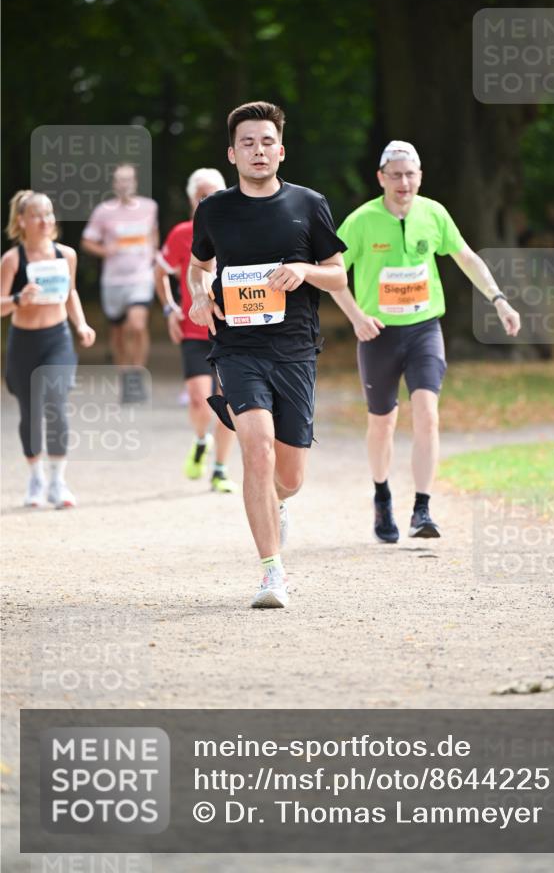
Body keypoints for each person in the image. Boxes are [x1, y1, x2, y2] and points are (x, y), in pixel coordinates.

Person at [187, 101, 347, 608]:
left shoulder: (308, 203)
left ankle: (278, 504)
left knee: (290, 475)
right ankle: (271, 573)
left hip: (295, 348)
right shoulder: (214, 209)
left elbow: (339, 274)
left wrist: (304, 271)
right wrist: (197, 294)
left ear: (281, 149)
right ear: (232, 153)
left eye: (267, 142)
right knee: (256, 448)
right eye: (248, 143)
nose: (258, 151)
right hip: (237, 347)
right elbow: (198, 267)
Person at [331, 140, 521, 544]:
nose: (404, 182)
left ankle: (422, 507)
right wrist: (356, 317)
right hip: (378, 334)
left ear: (420, 177)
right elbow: (331, 272)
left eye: (410, 174)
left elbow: (467, 257)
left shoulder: (434, 214)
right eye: (395, 175)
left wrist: (499, 300)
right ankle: (382, 495)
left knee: (427, 414)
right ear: (381, 178)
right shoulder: (361, 221)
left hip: (424, 329)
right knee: (382, 422)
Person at [0, 190, 96, 508]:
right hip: (24, 342)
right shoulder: (13, 259)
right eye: (37, 215)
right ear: (21, 221)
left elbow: (70, 293)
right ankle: (35, 477)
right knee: (30, 411)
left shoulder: (65, 255)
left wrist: (80, 325)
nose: (45, 221)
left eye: (49, 214)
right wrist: (17, 299)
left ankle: (58, 481)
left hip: (58, 340)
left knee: (56, 404)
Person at [154, 167, 238, 493]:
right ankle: (201, 440)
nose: (209, 200)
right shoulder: (180, 234)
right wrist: (169, 309)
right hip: (193, 330)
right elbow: (159, 273)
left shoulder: (236, 229)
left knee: (229, 402)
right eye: (203, 195)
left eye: (215, 194)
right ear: (192, 200)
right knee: (198, 401)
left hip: (231, 331)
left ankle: (220, 469)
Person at [81, 162, 158, 402]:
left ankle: (136, 376)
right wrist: (106, 250)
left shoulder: (149, 207)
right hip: (113, 281)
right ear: (114, 184)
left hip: (140, 276)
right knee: (117, 332)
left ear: (135, 182)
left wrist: (153, 253)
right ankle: (124, 375)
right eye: (120, 180)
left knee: (137, 325)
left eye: (129, 180)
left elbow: (153, 234)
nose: (124, 184)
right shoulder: (104, 211)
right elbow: (87, 241)